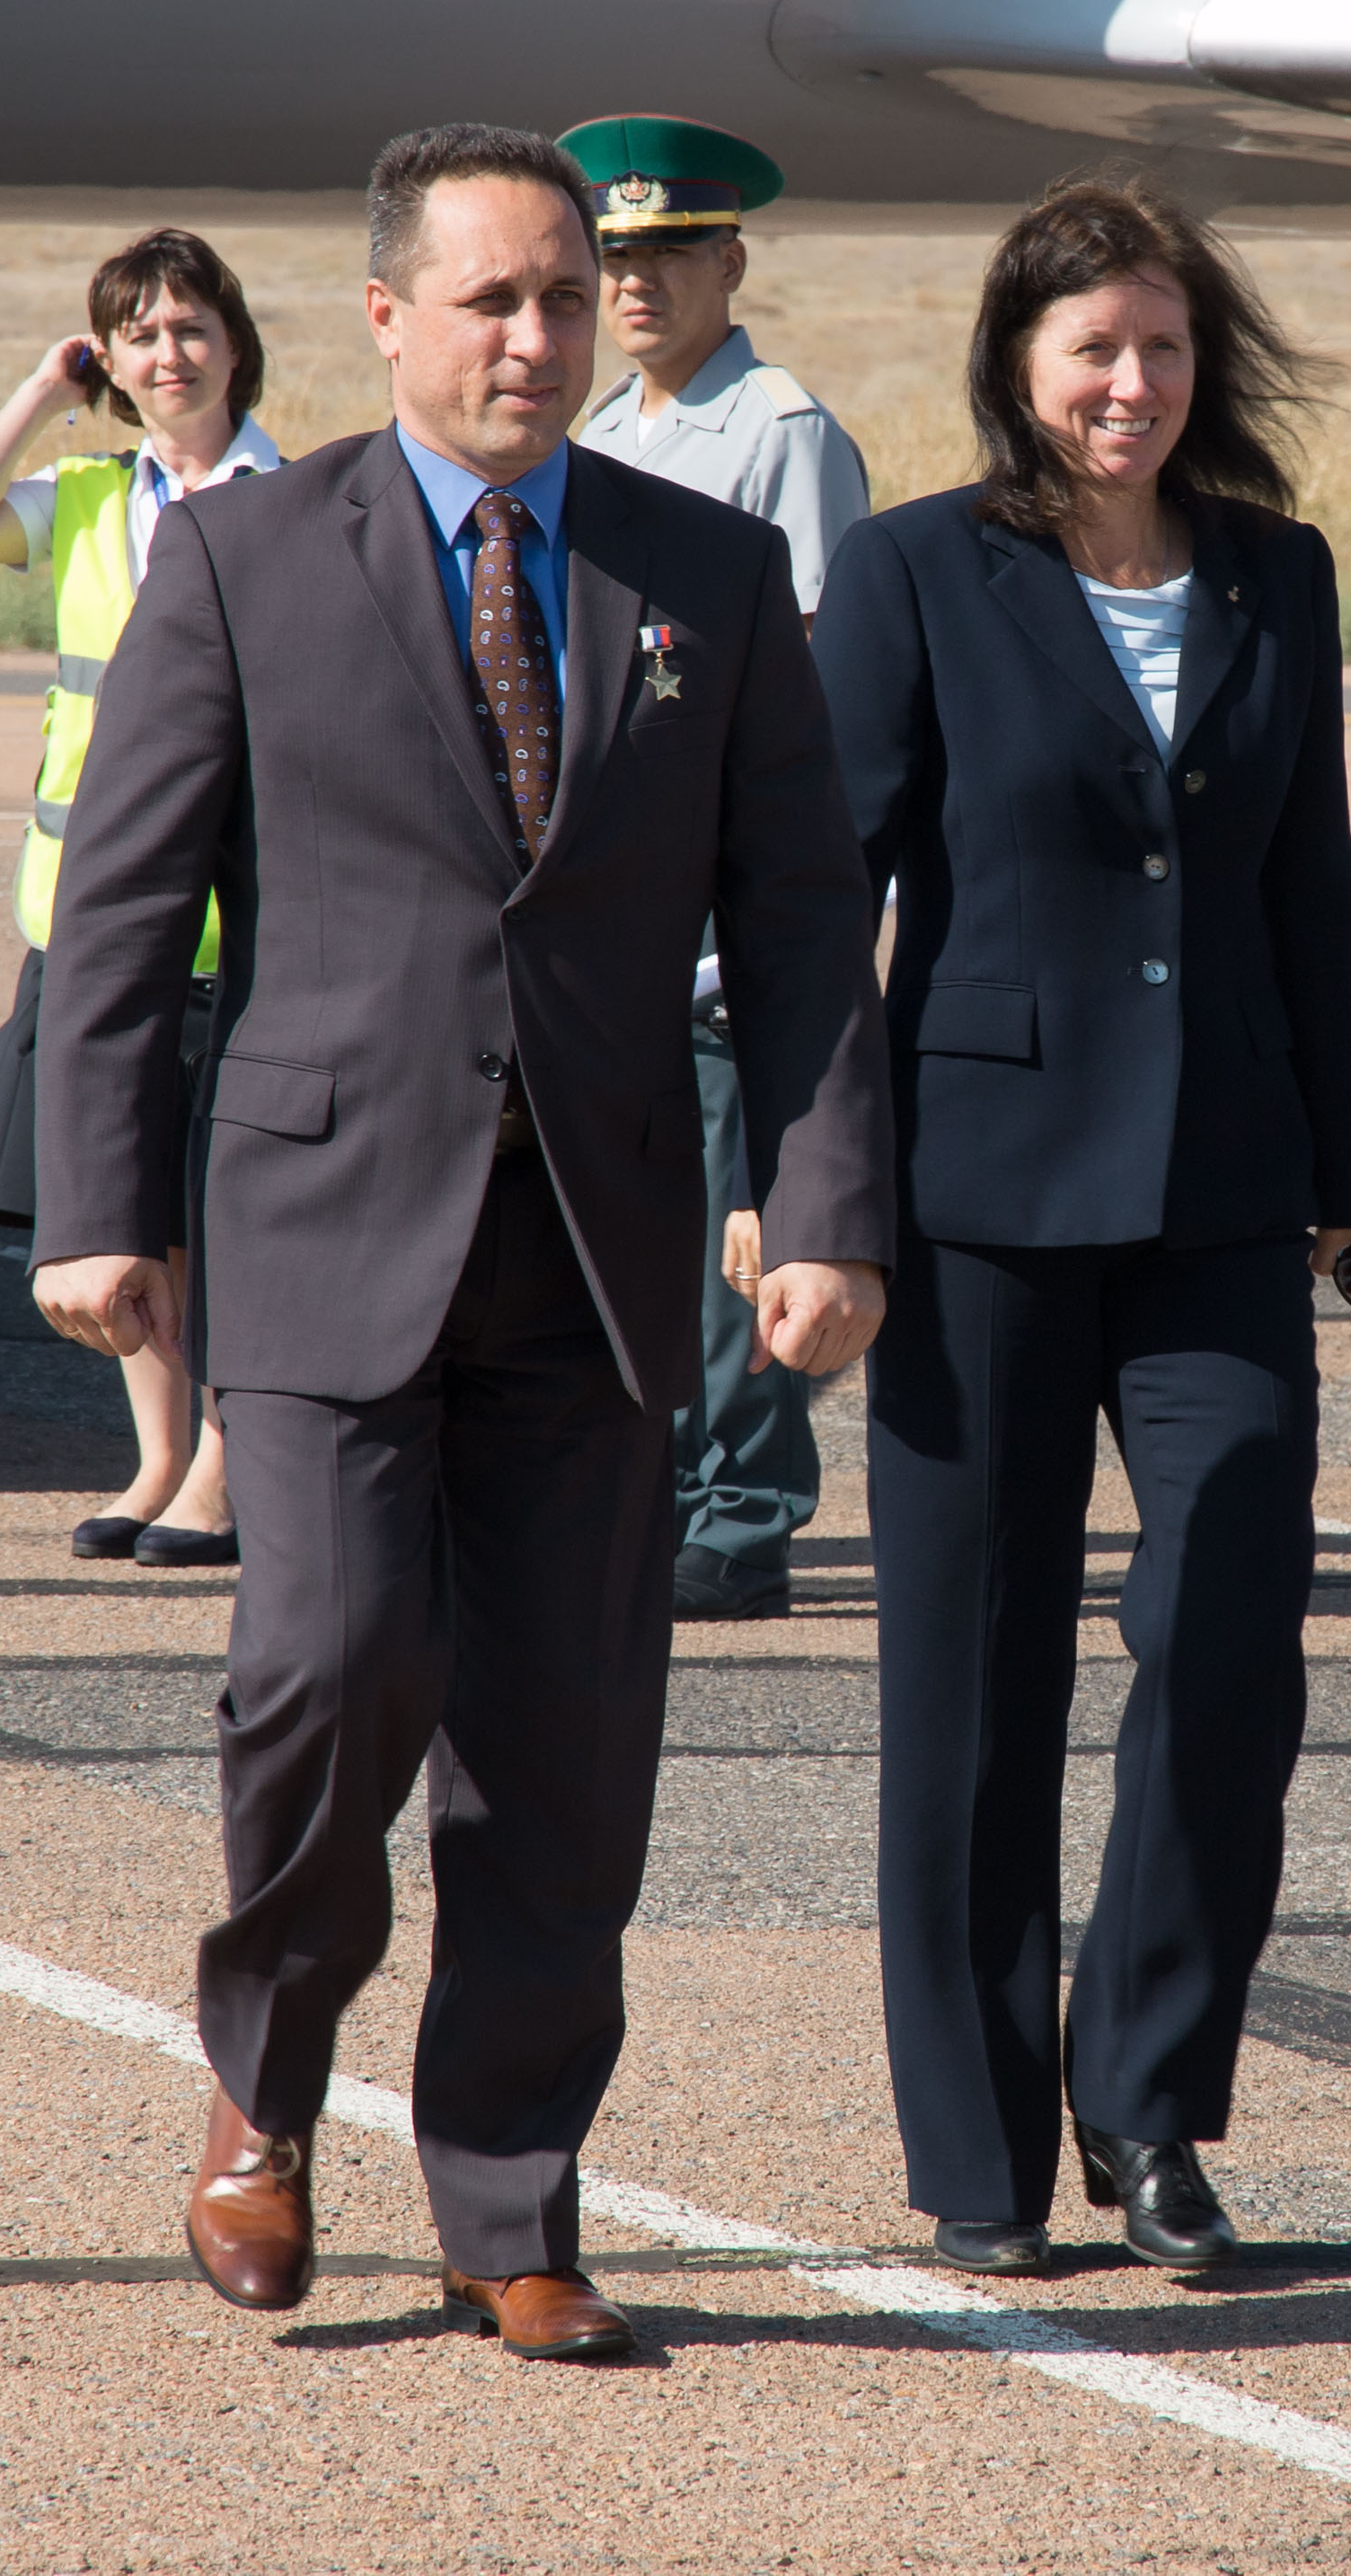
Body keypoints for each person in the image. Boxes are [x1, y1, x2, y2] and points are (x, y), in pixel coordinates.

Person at [31, 124, 896, 2362]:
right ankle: (264, 2087)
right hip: (328, 1230)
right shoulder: (246, 559)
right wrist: (100, 1207)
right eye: (490, 298)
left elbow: (802, 917)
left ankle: (511, 2206)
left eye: (565, 299)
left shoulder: (705, 571)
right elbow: (125, 906)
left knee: (562, 1752)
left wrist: (824, 1204)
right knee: (332, 1672)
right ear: (385, 318)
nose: (534, 338)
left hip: (595, 1250)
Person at [813, 176, 1351, 2276]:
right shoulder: (912, 572)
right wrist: (812, 1190)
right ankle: (979, 2147)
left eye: (1161, 347)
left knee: (1230, 1614)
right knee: (974, 1680)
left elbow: (1310, 885)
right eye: (1092, 350)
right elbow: (823, 902)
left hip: (1221, 1192)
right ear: (1019, 366)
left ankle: (1150, 2100)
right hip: (974, 1197)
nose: (1130, 385)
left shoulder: (1276, 573)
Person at [0, 228, 279, 1570]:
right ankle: (161, 1458)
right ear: (108, 364)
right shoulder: (83, 498)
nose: (168, 354)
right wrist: (40, 389)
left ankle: (228, 1471)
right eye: (138, 336)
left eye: (190, 328)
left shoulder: (295, 497)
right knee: (127, 1206)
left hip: (237, 925)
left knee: (227, 1209)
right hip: (92, 913)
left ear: (235, 345)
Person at [554, 114, 876, 1622]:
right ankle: (665, 1485)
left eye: (671, 254)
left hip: (718, 920)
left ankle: (741, 1513)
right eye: (616, 256)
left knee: (740, 1243)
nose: (638, 283)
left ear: (731, 264)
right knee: (643, 1232)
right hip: (624, 905)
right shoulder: (605, 433)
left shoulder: (778, 431)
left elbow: (811, 687)